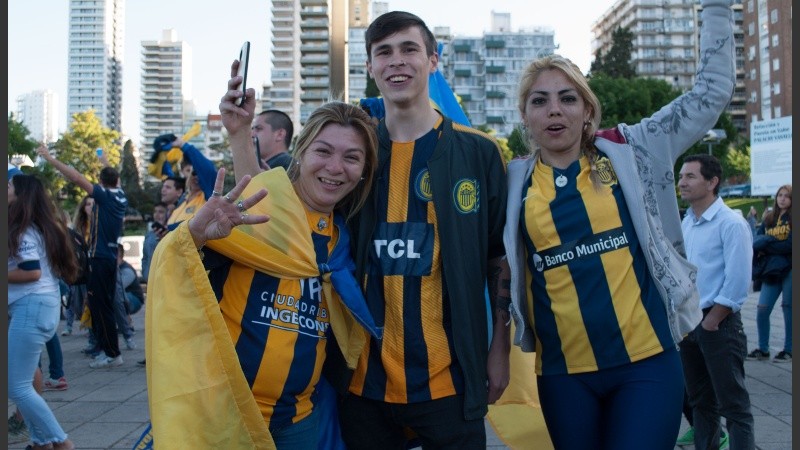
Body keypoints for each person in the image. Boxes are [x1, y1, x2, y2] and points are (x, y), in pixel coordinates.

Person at [502, 1, 735, 448]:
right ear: (525, 116)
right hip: (563, 375)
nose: (555, 110)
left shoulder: (635, 148)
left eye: (568, 98)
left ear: (587, 110)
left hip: (647, 365)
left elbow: (712, 93)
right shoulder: (512, 181)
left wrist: (717, 7)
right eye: (540, 100)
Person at [147, 101, 381, 448]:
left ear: (363, 171)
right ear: (299, 153)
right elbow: (175, 263)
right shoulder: (254, 215)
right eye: (323, 150)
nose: (335, 167)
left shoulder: (346, 240)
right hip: (224, 413)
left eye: (351, 157)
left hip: (300, 421)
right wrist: (195, 235)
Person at [335, 11, 510, 449]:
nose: (397, 61)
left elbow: (498, 260)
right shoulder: (353, 154)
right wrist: (242, 138)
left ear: (433, 60)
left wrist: (499, 349)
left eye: (409, 49)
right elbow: (283, 207)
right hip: (363, 383)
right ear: (370, 69)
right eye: (383, 53)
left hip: (448, 380)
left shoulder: (479, 153)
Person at [678, 154, 755, 450]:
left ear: (712, 183)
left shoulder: (731, 224)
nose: (682, 182)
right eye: (682, 176)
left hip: (717, 324)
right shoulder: (686, 222)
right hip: (688, 323)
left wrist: (712, 319)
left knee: (734, 406)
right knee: (700, 404)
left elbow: (737, 281)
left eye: (690, 177)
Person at [38, 145, 128, 369]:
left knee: (100, 307)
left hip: (99, 258)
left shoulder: (104, 196)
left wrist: (50, 158)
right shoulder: (121, 196)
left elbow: (76, 177)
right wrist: (102, 157)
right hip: (108, 258)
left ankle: (112, 353)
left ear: (101, 182)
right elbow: (109, 172)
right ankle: (110, 351)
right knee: (103, 305)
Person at [8, 172, 77, 450]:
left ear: (20, 194)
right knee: (23, 383)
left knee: (17, 386)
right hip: (38, 308)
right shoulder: (33, 227)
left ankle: (61, 442)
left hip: (32, 308)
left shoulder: (24, 231)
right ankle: (41, 442)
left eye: (9, 185)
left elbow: (31, 272)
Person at [747, 184, 791, 362]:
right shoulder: (769, 218)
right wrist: (770, 241)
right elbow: (756, 241)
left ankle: (789, 350)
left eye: (787, 196)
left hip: (790, 267)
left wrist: (768, 243)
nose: (782, 198)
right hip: (772, 269)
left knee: (789, 308)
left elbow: (790, 245)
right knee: (762, 308)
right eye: (780, 195)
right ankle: (763, 349)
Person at [165, 136, 217, 228]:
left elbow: (209, 170)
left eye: (199, 172)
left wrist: (183, 145)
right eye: (192, 172)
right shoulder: (182, 201)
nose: (197, 176)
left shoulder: (208, 196)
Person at [141, 202, 169, 284]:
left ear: (167, 214)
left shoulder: (170, 233)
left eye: (161, 212)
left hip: (165, 280)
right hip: (150, 280)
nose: (157, 214)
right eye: (155, 212)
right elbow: (145, 257)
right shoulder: (149, 235)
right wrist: (145, 274)